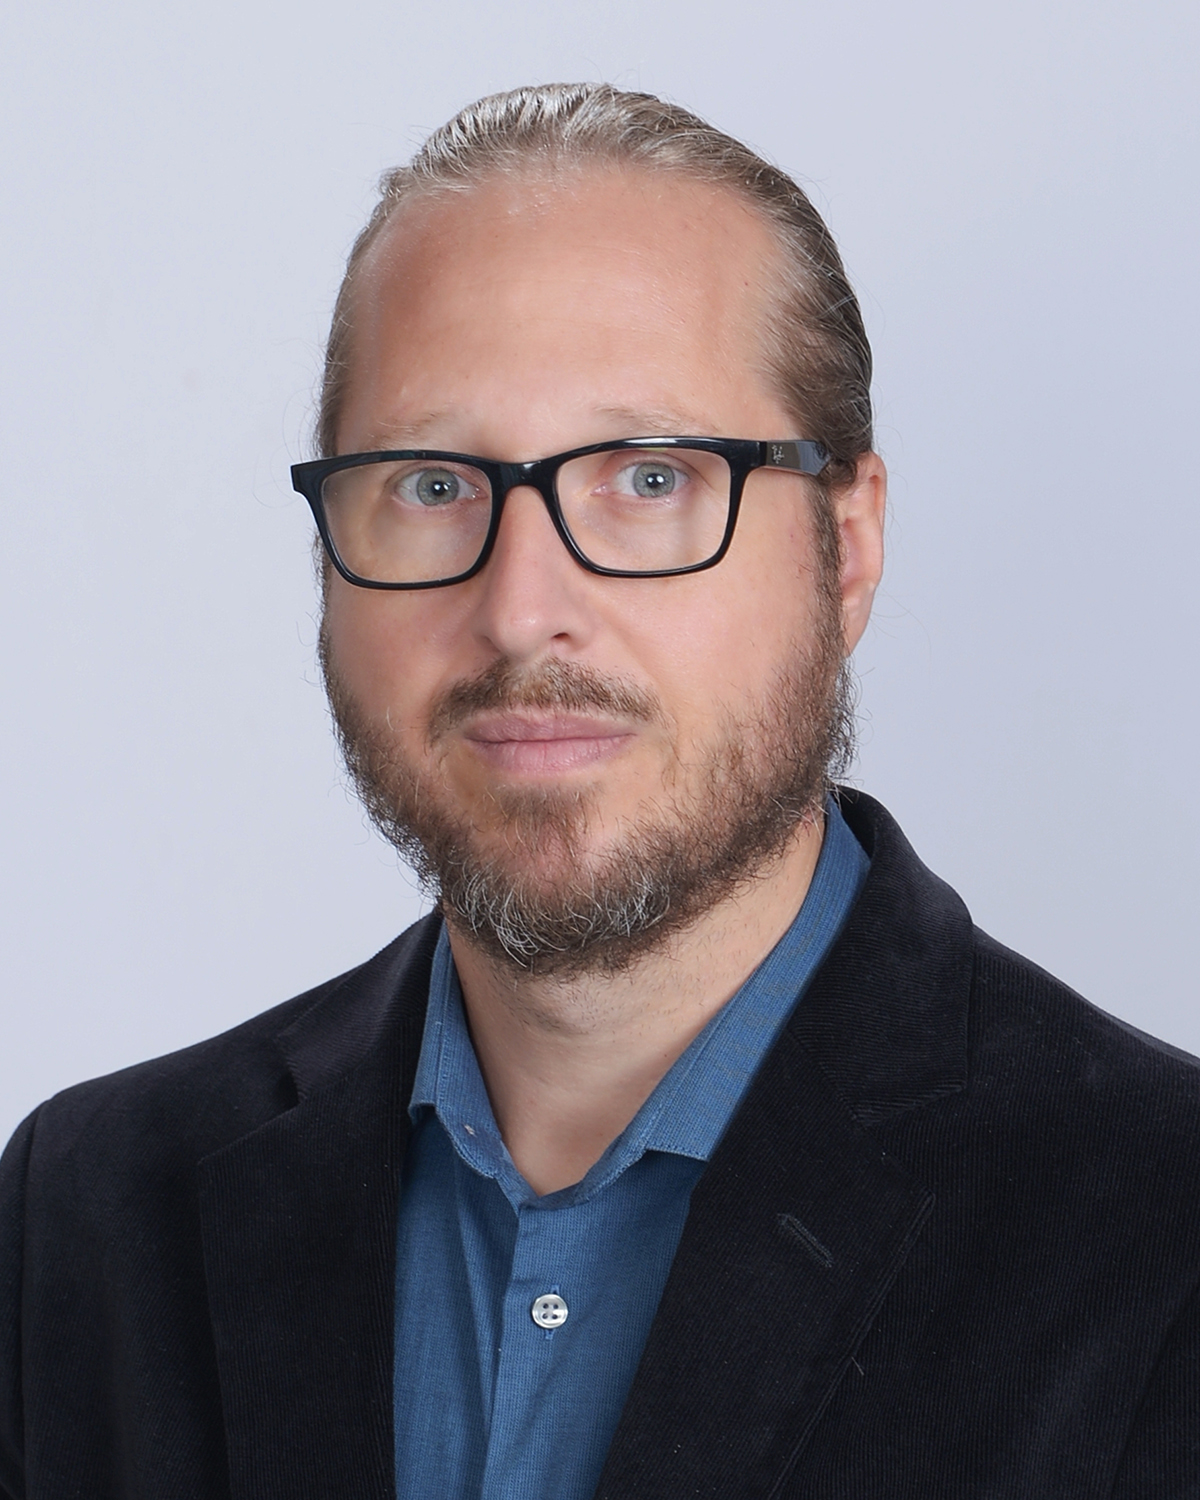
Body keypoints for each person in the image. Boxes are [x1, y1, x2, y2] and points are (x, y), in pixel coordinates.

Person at [2, 82, 1198, 1500]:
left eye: (648, 478)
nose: (523, 611)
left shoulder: (1161, 1238)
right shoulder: (88, 1215)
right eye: (432, 485)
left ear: (850, 547)